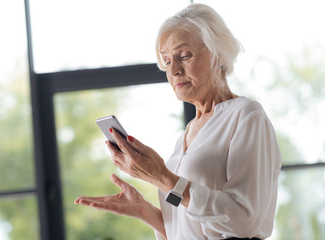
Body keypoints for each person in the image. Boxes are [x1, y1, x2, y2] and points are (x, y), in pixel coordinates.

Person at [75, 3, 282, 240]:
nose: (173, 70)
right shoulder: (185, 136)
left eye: (184, 56)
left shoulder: (246, 115)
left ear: (218, 54)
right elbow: (185, 232)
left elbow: (244, 220)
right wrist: (145, 211)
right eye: (166, 61)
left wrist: (162, 177)